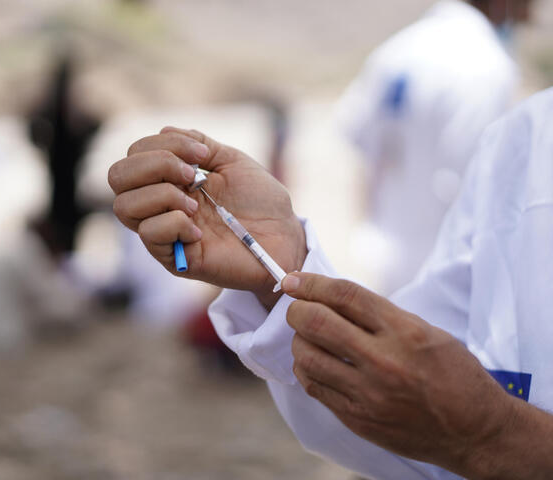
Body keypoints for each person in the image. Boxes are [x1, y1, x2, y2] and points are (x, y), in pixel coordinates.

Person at [109, 82, 553, 477]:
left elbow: (470, 426)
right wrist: (280, 270)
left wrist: (497, 435)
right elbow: (423, 414)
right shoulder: (527, 139)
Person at [336, 0, 524, 293]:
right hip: (447, 278)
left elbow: (359, 141)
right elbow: (474, 183)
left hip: (386, 263)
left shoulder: (397, 50)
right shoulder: (484, 64)